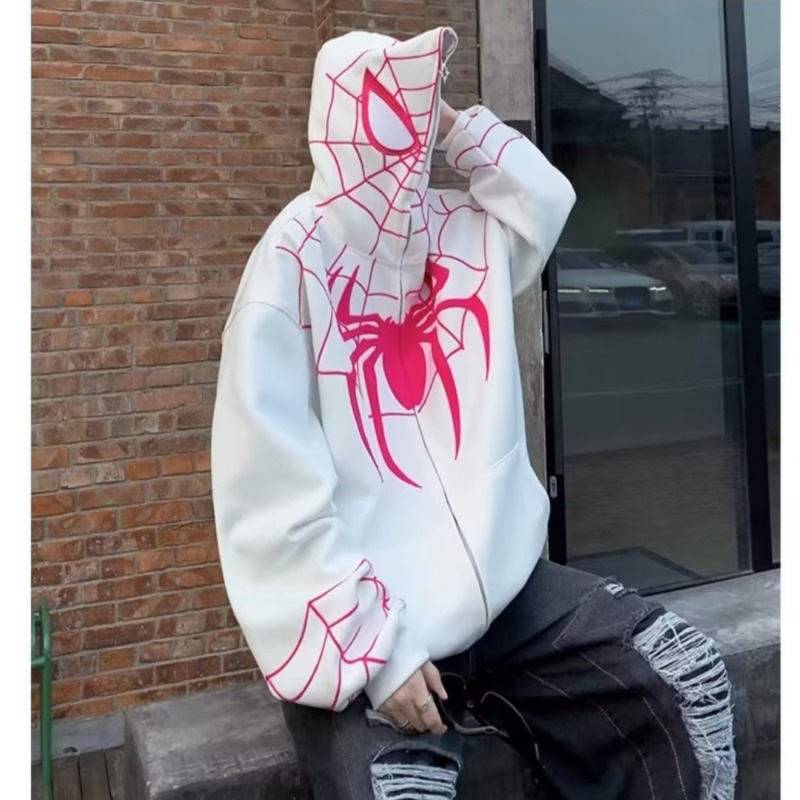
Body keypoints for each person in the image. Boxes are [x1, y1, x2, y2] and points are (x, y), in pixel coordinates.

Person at [211, 25, 737, 800]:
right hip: (374, 607)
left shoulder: (457, 230)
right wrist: (373, 651)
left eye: (420, 108)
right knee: (400, 786)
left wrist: (455, 124)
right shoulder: (292, 259)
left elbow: (546, 199)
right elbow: (267, 483)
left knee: (685, 676)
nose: (409, 132)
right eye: (397, 105)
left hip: (504, 590)